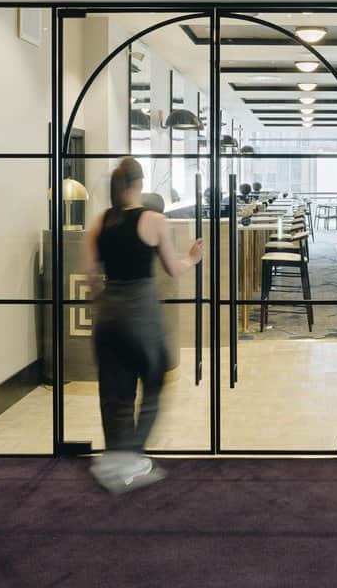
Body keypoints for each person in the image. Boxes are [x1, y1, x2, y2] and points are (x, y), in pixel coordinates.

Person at [83, 157, 204, 493]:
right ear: (139, 184)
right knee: (153, 383)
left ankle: (116, 461)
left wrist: (106, 304)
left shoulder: (100, 223)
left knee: (115, 394)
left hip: (108, 318)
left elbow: (91, 278)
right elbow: (173, 268)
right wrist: (192, 257)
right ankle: (131, 456)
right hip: (141, 317)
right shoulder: (154, 220)